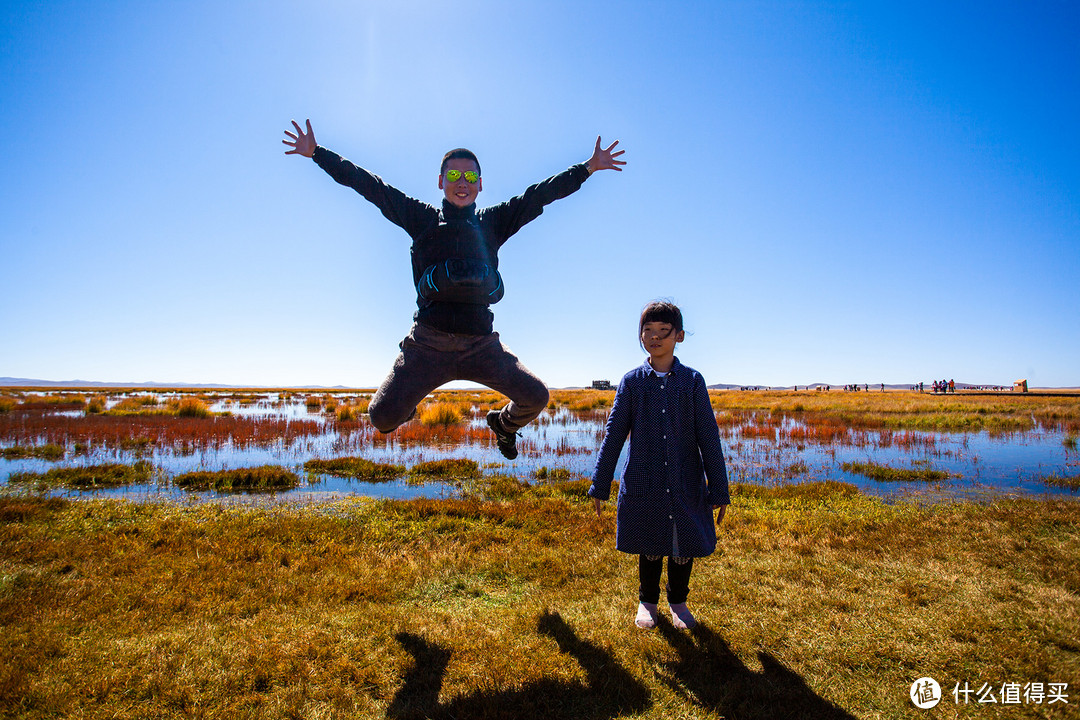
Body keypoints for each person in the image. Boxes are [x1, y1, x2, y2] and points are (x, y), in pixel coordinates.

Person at [283, 119, 625, 459]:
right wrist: (318, 153)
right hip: (427, 345)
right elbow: (371, 186)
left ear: (480, 184)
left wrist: (588, 168)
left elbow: (539, 196)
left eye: (471, 176)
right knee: (382, 417)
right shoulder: (422, 219)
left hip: (482, 347)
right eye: (454, 176)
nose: (463, 183)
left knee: (536, 396)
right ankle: (410, 404)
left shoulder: (493, 223)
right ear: (441, 181)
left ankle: (504, 426)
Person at [589, 301, 730, 630]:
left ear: (679, 336)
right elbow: (614, 435)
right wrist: (600, 483)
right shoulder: (632, 382)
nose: (654, 337)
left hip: (685, 480)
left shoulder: (692, 382)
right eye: (647, 331)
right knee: (650, 544)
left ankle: (678, 602)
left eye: (663, 332)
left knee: (683, 546)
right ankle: (647, 601)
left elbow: (708, 437)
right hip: (644, 479)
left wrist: (719, 491)